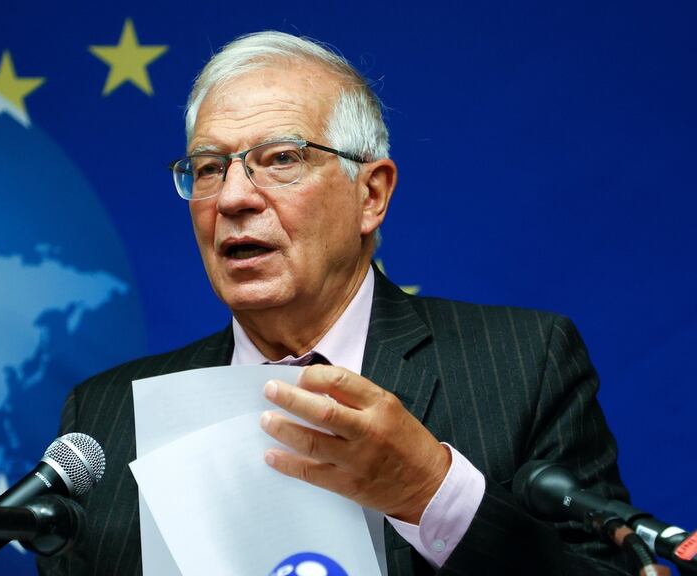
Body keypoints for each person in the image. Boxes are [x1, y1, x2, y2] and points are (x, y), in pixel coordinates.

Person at [38, 31, 631, 575]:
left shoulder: (523, 364)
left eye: (281, 158)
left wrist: (429, 492)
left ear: (370, 194)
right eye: (210, 167)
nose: (234, 197)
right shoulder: (104, 418)